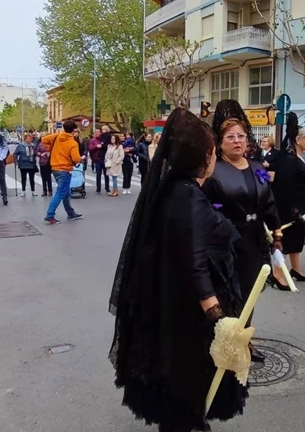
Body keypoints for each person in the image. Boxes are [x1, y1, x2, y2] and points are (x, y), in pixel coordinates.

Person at [109, 108, 250, 432]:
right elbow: (195, 262)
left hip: (170, 305)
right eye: (212, 150)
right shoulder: (189, 197)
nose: (214, 157)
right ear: (201, 156)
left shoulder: (173, 190)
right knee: (187, 387)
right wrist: (218, 317)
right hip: (187, 316)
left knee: (178, 390)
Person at [203, 100, 281, 362]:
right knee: (227, 295)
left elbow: (268, 202)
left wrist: (277, 233)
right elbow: (204, 208)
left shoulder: (257, 168)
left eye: (241, 136)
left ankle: (244, 342)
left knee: (249, 294)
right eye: (230, 137)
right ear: (220, 142)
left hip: (254, 243)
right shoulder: (213, 171)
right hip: (225, 244)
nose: (237, 141)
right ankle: (222, 344)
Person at [268, 116, 305, 286]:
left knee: (297, 238)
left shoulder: (300, 158)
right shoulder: (289, 159)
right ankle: (277, 274)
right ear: (297, 139)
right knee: (286, 240)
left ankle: (296, 269)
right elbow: (285, 186)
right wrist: (294, 210)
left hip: (301, 206)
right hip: (290, 208)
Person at [44, 120, 84, 225]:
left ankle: (70, 213)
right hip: (65, 169)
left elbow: (44, 139)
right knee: (60, 192)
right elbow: (75, 159)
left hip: (55, 167)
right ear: (74, 130)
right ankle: (50, 215)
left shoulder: (57, 136)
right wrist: (80, 159)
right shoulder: (72, 143)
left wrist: (50, 148)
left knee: (65, 192)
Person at [89, 127, 110, 194]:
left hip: (105, 159)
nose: (96, 133)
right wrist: (96, 146)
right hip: (97, 159)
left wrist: (103, 145)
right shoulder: (92, 140)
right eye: (95, 132)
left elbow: (108, 147)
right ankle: (98, 189)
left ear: (101, 133)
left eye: (98, 132)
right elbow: (90, 149)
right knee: (98, 174)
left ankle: (107, 188)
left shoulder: (104, 139)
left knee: (106, 174)